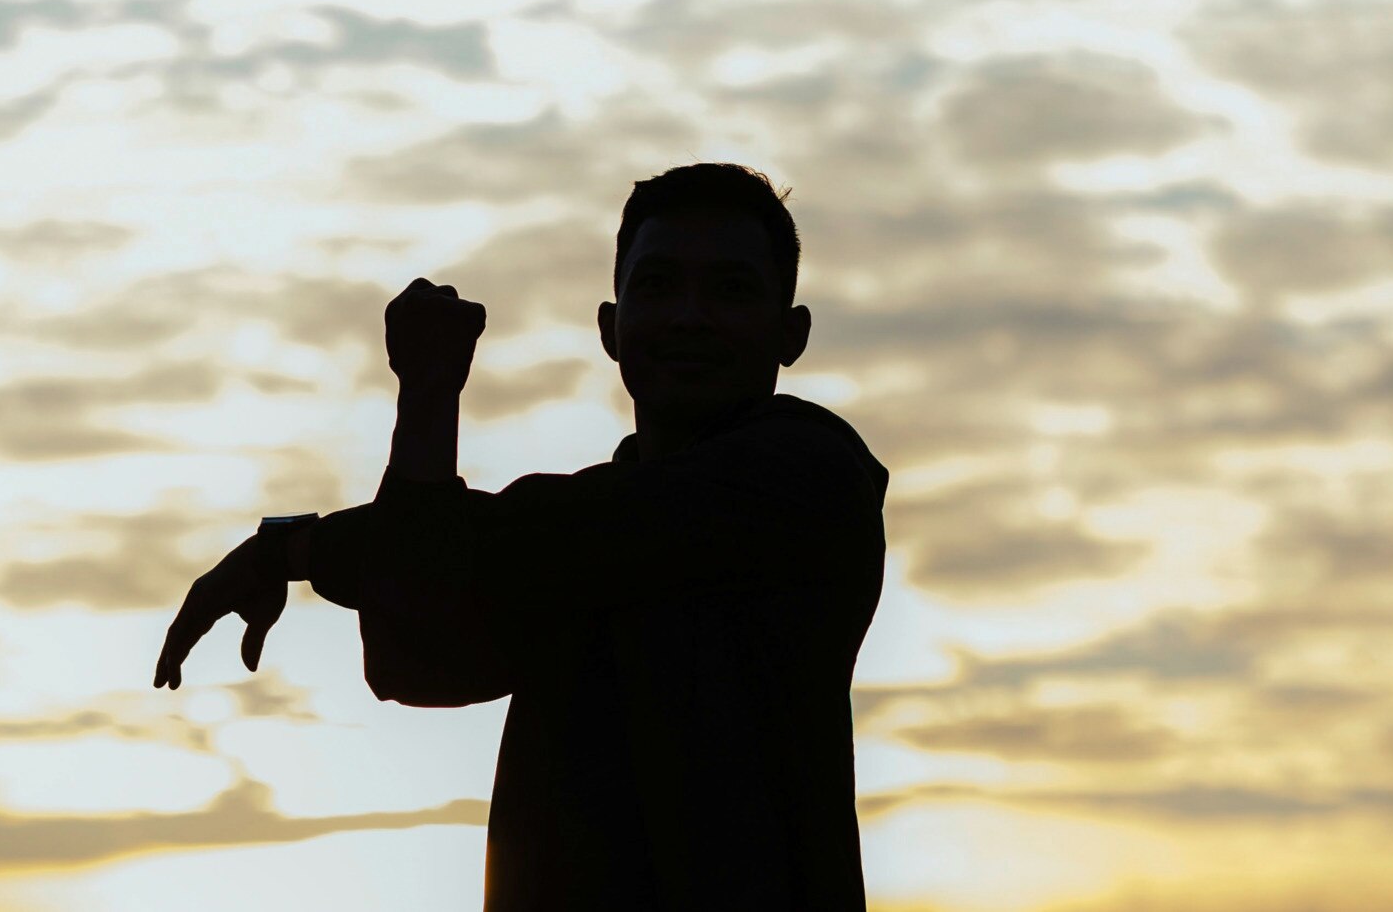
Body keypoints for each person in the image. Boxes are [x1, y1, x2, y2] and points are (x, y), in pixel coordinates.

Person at [153, 163, 888, 910]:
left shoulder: (809, 475)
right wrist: (425, 404)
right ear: (610, 327)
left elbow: (502, 545)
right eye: (659, 286)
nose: (688, 317)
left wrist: (301, 545)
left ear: (789, 334)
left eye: (729, 290)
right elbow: (414, 651)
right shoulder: (576, 547)